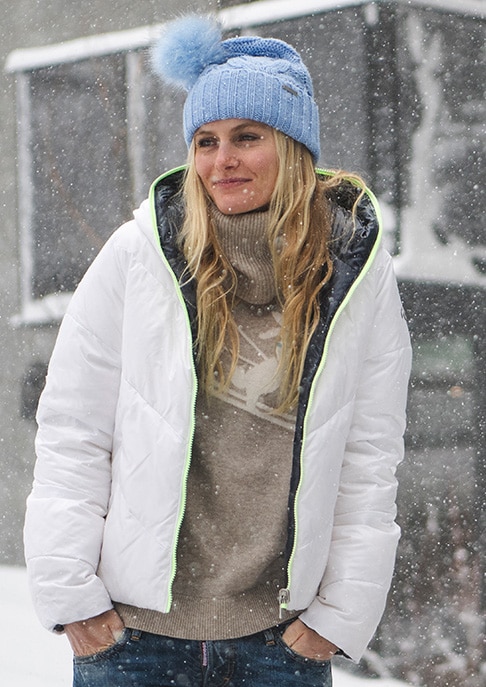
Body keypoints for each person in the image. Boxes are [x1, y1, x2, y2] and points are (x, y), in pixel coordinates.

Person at [24, 14, 411, 687]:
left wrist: (340, 612)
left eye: (246, 137)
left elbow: (368, 454)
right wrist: (70, 591)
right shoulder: (140, 256)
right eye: (205, 140)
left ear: (291, 146)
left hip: (280, 642)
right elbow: (73, 430)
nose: (220, 160)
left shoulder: (352, 272)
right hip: (134, 638)